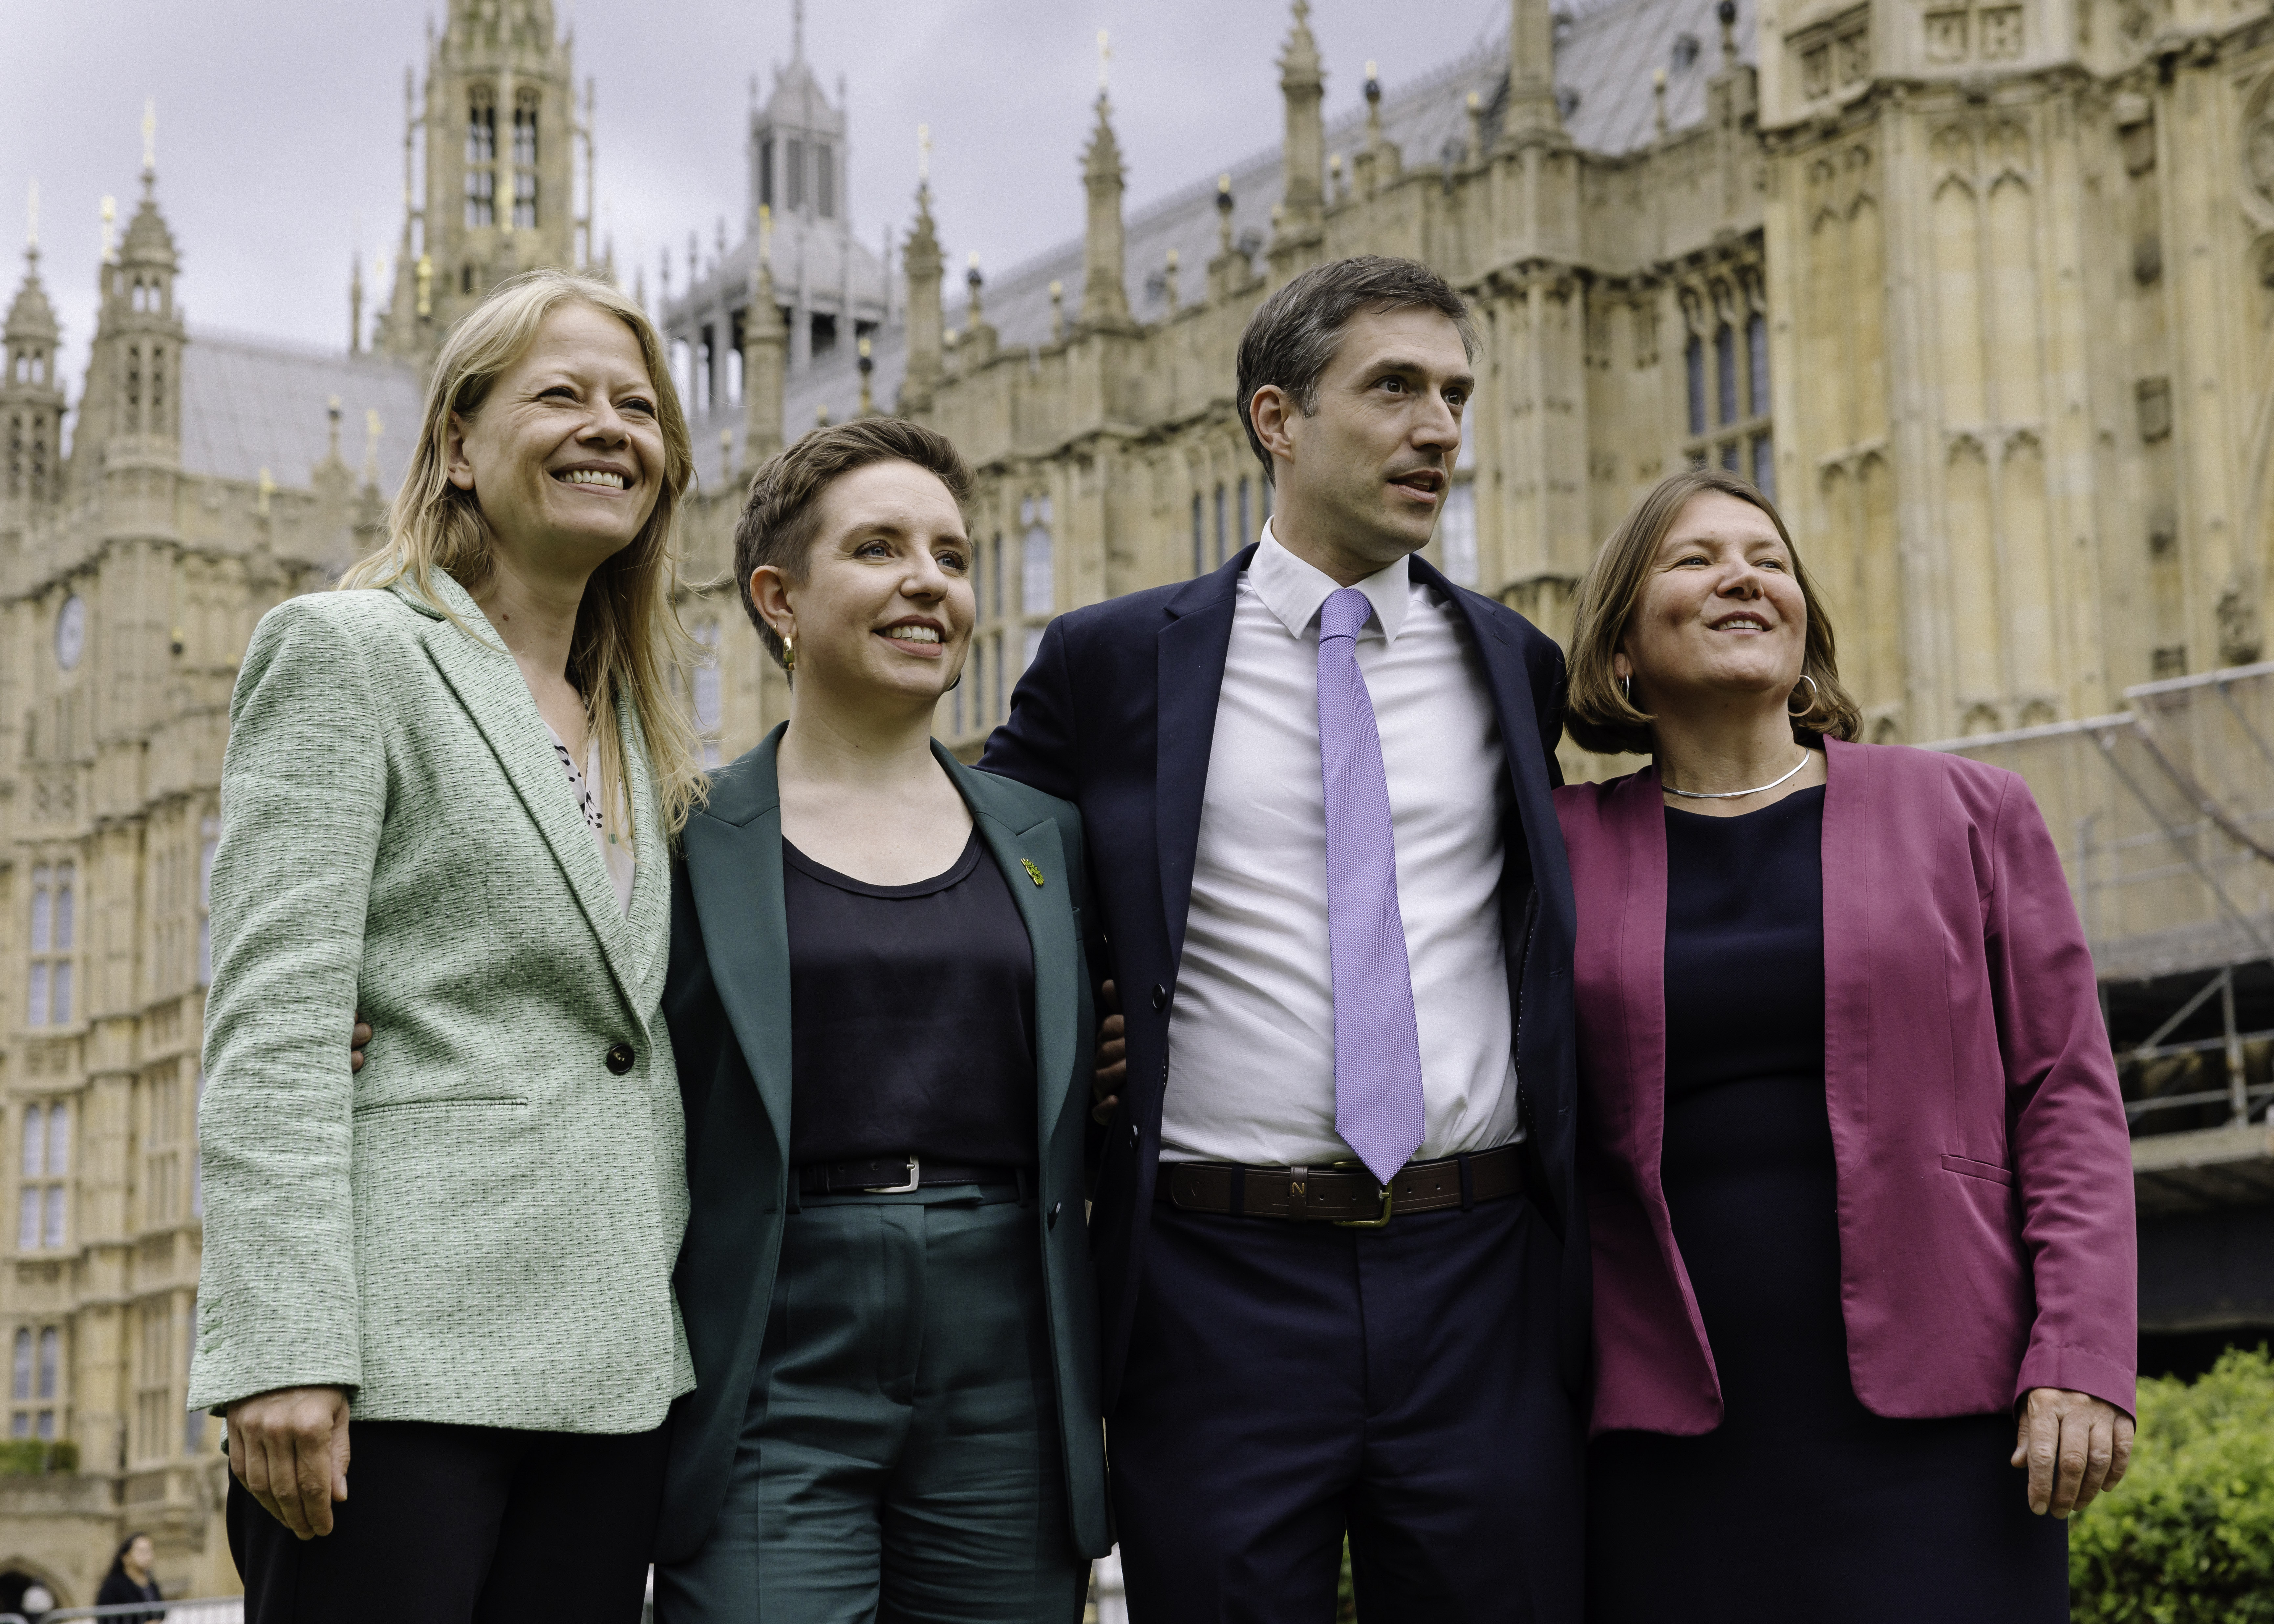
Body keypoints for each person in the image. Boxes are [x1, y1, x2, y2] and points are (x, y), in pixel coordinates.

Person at [981, 255, 1585, 1620]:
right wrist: (1074, 1017)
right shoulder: (1117, 661)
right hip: (1216, 1286)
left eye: (1455, 394)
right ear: (1276, 418)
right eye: (1392, 388)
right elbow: (964, 857)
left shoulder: (1511, 661)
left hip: (1477, 1268)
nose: (1437, 427)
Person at [188, 268, 707, 1624]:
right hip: (397, 1371)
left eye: (638, 406)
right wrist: (283, 1346)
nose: (610, 427)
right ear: (459, 448)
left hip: (606, 1381)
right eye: (563, 395)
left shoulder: (647, 738)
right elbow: (274, 1022)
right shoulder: (348, 652)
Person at [1554, 467, 2137, 1621]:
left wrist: (2077, 1351)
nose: (1740, 576)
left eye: (1766, 560)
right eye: (1693, 558)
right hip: (1658, 1422)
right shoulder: (1555, 845)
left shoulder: (1968, 811)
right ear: (1619, 646)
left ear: (1804, 624)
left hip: (1941, 1414)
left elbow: (2064, 1097)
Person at [651, 418, 1110, 1623]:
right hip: (772, 1333)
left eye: (953, 557)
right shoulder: (681, 838)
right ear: (778, 596)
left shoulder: (1045, 837)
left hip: (1006, 1333)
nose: (929, 580)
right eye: (879, 546)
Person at [94, 1533, 163, 1622]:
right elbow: (105, 1617)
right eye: (142, 1551)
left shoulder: (151, 1584)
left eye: (149, 1550)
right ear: (126, 1557)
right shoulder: (114, 1585)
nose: (148, 1556)